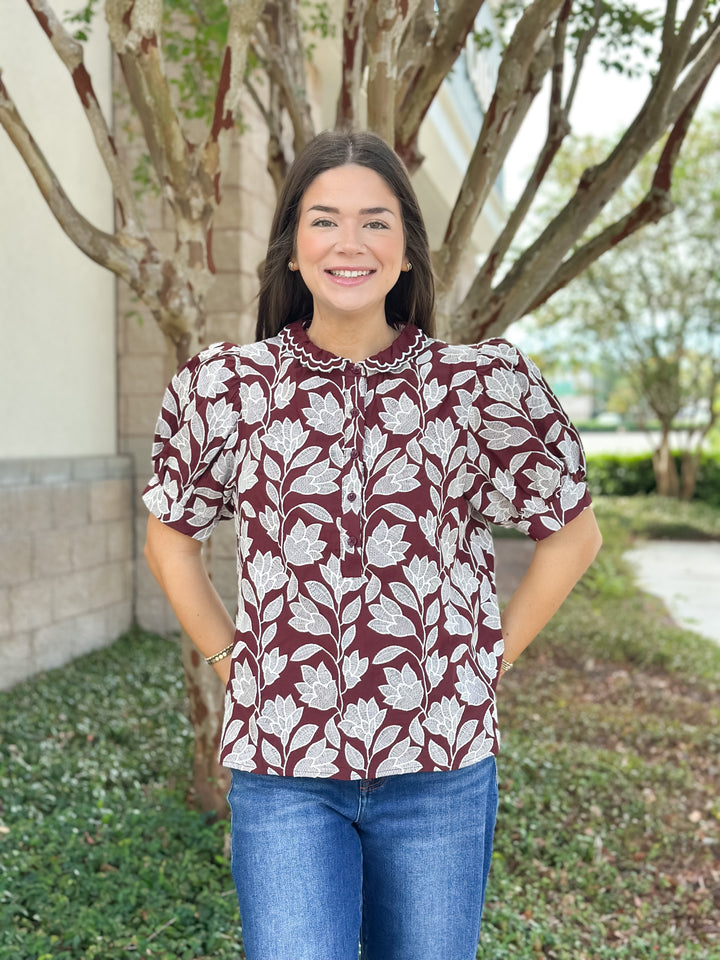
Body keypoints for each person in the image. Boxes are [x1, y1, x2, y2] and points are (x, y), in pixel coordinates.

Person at [143, 130, 602, 960]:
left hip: (440, 768)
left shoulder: (479, 388)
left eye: (375, 223)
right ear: (291, 250)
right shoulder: (226, 388)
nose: (349, 243)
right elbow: (171, 537)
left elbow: (573, 533)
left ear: (407, 251)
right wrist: (231, 663)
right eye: (324, 221)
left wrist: (490, 656)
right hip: (284, 772)